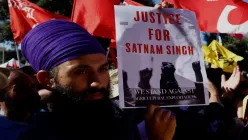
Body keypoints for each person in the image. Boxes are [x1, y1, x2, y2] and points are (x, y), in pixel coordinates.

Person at [18, 19, 176, 140]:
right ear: (47, 80)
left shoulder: (117, 116)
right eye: (80, 71)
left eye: (103, 69)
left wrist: (154, 20)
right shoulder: (38, 135)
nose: (97, 82)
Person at [0, 69, 41, 140]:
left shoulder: (48, 119)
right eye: (20, 88)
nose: (32, 91)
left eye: (33, 86)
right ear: (0, 95)